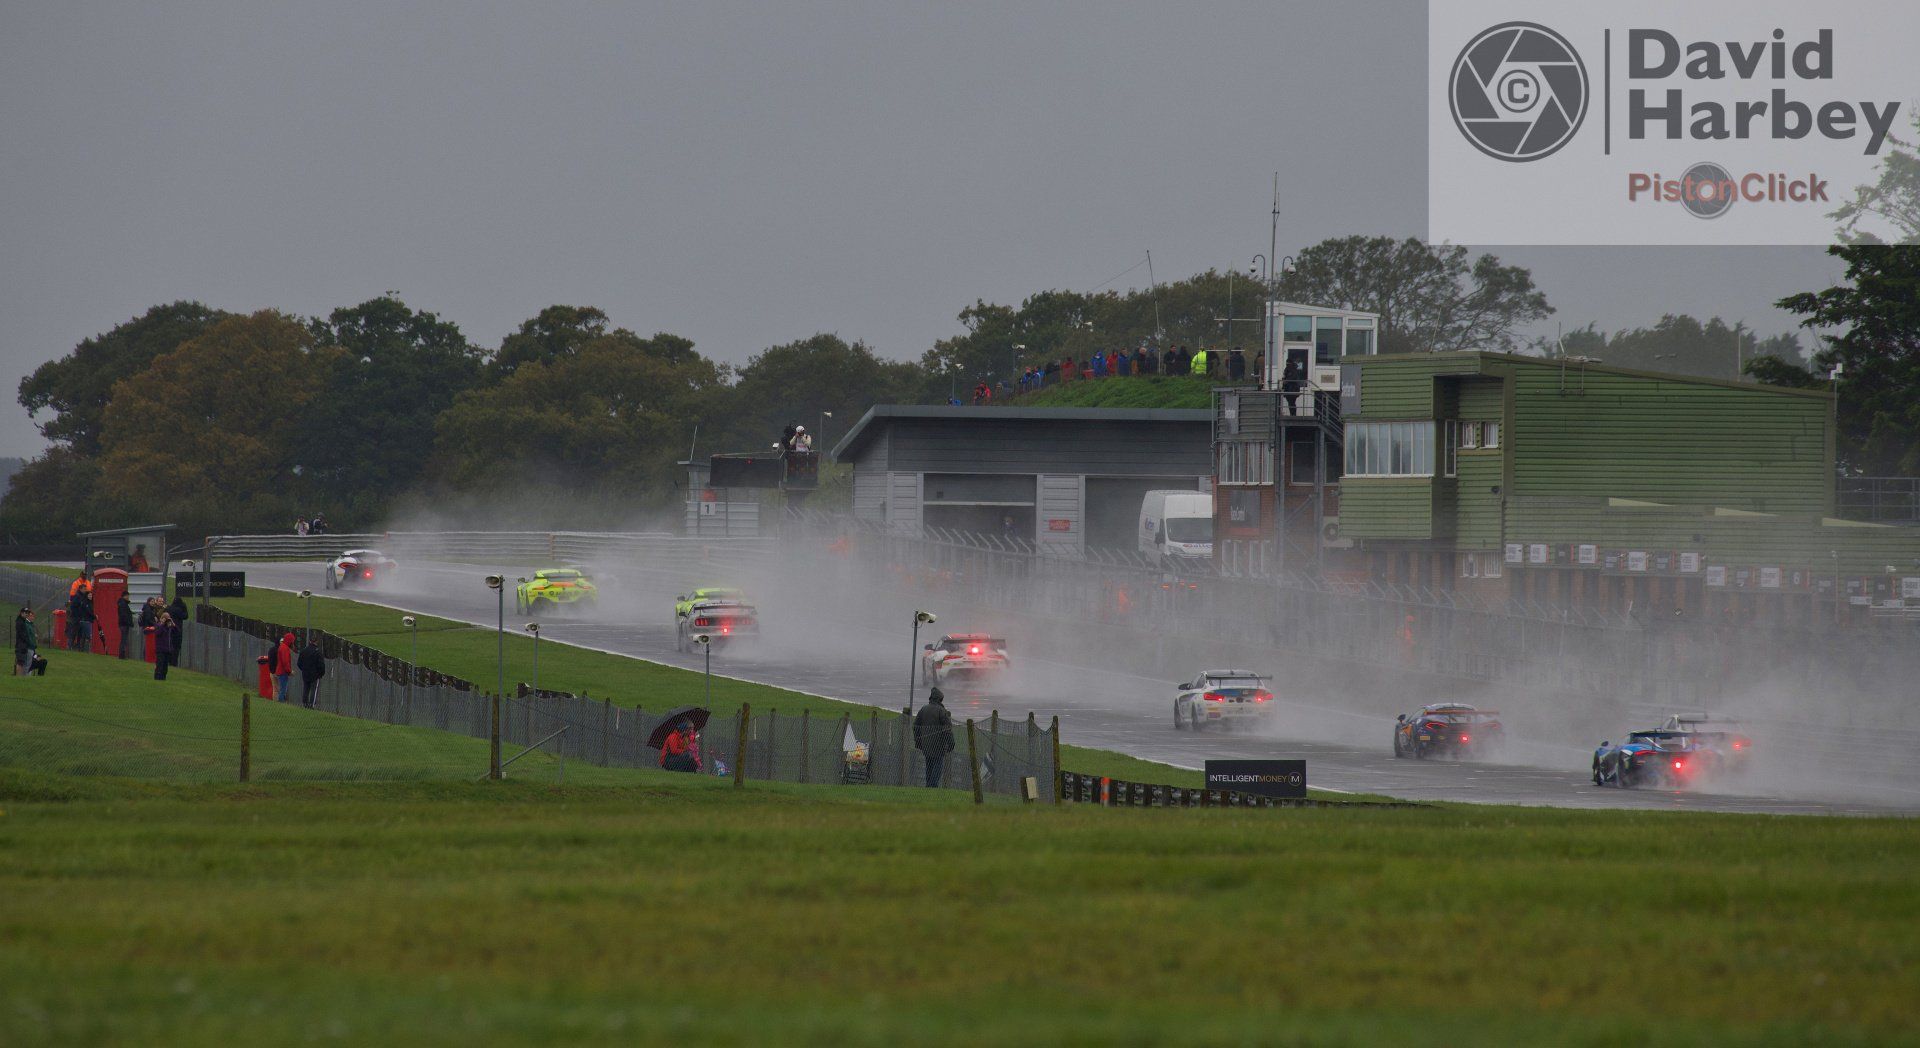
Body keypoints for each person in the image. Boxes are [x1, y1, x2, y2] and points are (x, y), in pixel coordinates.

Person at [912, 687, 956, 788]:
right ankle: (933, 786)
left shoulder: (923, 709)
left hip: (926, 744)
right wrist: (951, 743)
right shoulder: (942, 711)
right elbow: (947, 729)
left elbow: (915, 726)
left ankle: (928, 786)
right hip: (939, 745)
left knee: (929, 766)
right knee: (937, 766)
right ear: (940, 699)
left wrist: (918, 742)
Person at [297, 639, 327, 709]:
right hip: (315, 674)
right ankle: (311, 705)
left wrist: (303, 669)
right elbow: (321, 665)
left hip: (305, 673)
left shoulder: (303, 651)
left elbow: (299, 663)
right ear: (316, 642)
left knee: (306, 688)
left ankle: (305, 704)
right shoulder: (318, 652)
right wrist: (321, 674)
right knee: (314, 690)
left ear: (310, 641)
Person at [166, 595, 190, 666]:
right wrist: (184, 608)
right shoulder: (179, 610)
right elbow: (185, 616)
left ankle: (169, 661)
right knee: (176, 648)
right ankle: (174, 662)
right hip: (177, 630)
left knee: (169, 646)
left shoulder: (169, 608)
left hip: (168, 629)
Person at [272, 631, 295, 702]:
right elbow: (285, 662)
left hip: (280, 671)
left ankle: (281, 702)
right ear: (290, 641)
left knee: (281, 689)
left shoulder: (282, 646)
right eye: (292, 641)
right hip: (283, 672)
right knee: (283, 690)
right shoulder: (285, 648)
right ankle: (281, 703)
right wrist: (290, 671)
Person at [153, 613, 176, 680]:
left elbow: (177, 632)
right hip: (160, 649)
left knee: (165, 666)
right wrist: (163, 624)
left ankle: (163, 678)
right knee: (159, 664)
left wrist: (172, 623)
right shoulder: (158, 625)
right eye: (165, 618)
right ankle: (157, 677)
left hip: (167, 649)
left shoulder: (169, 627)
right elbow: (157, 633)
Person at [14, 606, 35, 676]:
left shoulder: (22, 621)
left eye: (27, 613)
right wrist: (27, 641)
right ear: (21, 613)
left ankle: (21, 677)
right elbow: (22, 635)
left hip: (23, 645)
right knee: (20, 662)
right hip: (21, 645)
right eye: (25, 613)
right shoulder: (20, 622)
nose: (26, 614)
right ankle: (19, 677)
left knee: (22, 662)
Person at [116, 593, 134, 659]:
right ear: (125, 596)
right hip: (124, 624)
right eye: (128, 596)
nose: (128, 597)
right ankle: (122, 655)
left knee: (123, 640)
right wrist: (129, 622)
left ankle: (122, 654)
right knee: (124, 640)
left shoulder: (122, 603)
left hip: (122, 624)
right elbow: (124, 615)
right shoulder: (123, 604)